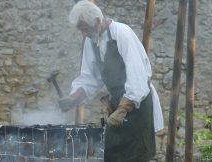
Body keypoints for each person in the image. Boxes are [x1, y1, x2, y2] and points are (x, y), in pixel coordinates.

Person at [59, 1, 164, 162]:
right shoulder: (91, 41)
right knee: (112, 154)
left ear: (97, 21)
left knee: (136, 156)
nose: (84, 34)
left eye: (85, 29)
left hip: (138, 104)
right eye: (80, 30)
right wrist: (73, 98)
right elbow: (89, 77)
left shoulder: (122, 33)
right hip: (117, 105)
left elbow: (138, 77)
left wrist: (122, 110)